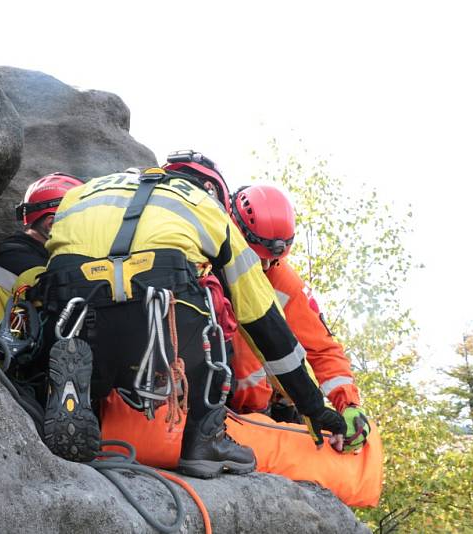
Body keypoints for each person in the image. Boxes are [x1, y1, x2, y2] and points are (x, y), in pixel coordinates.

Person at [37, 150, 346, 477]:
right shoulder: (205, 207)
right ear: (214, 192)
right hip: (154, 318)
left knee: (75, 308)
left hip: (72, 311)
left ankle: (81, 396)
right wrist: (313, 407)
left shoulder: (84, 191)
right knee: (213, 301)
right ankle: (204, 438)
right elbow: (261, 319)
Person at [228, 182, 370, 452]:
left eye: (273, 260)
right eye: (260, 258)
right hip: (202, 396)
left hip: (260, 414)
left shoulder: (283, 282)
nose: (266, 266)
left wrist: (348, 404)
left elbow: (322, 348)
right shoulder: (204, 256)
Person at [0, 173, 82, 341]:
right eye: (80, 223)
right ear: (51, 224)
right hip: (0, 363)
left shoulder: (0, 253)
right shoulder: (37, 271)